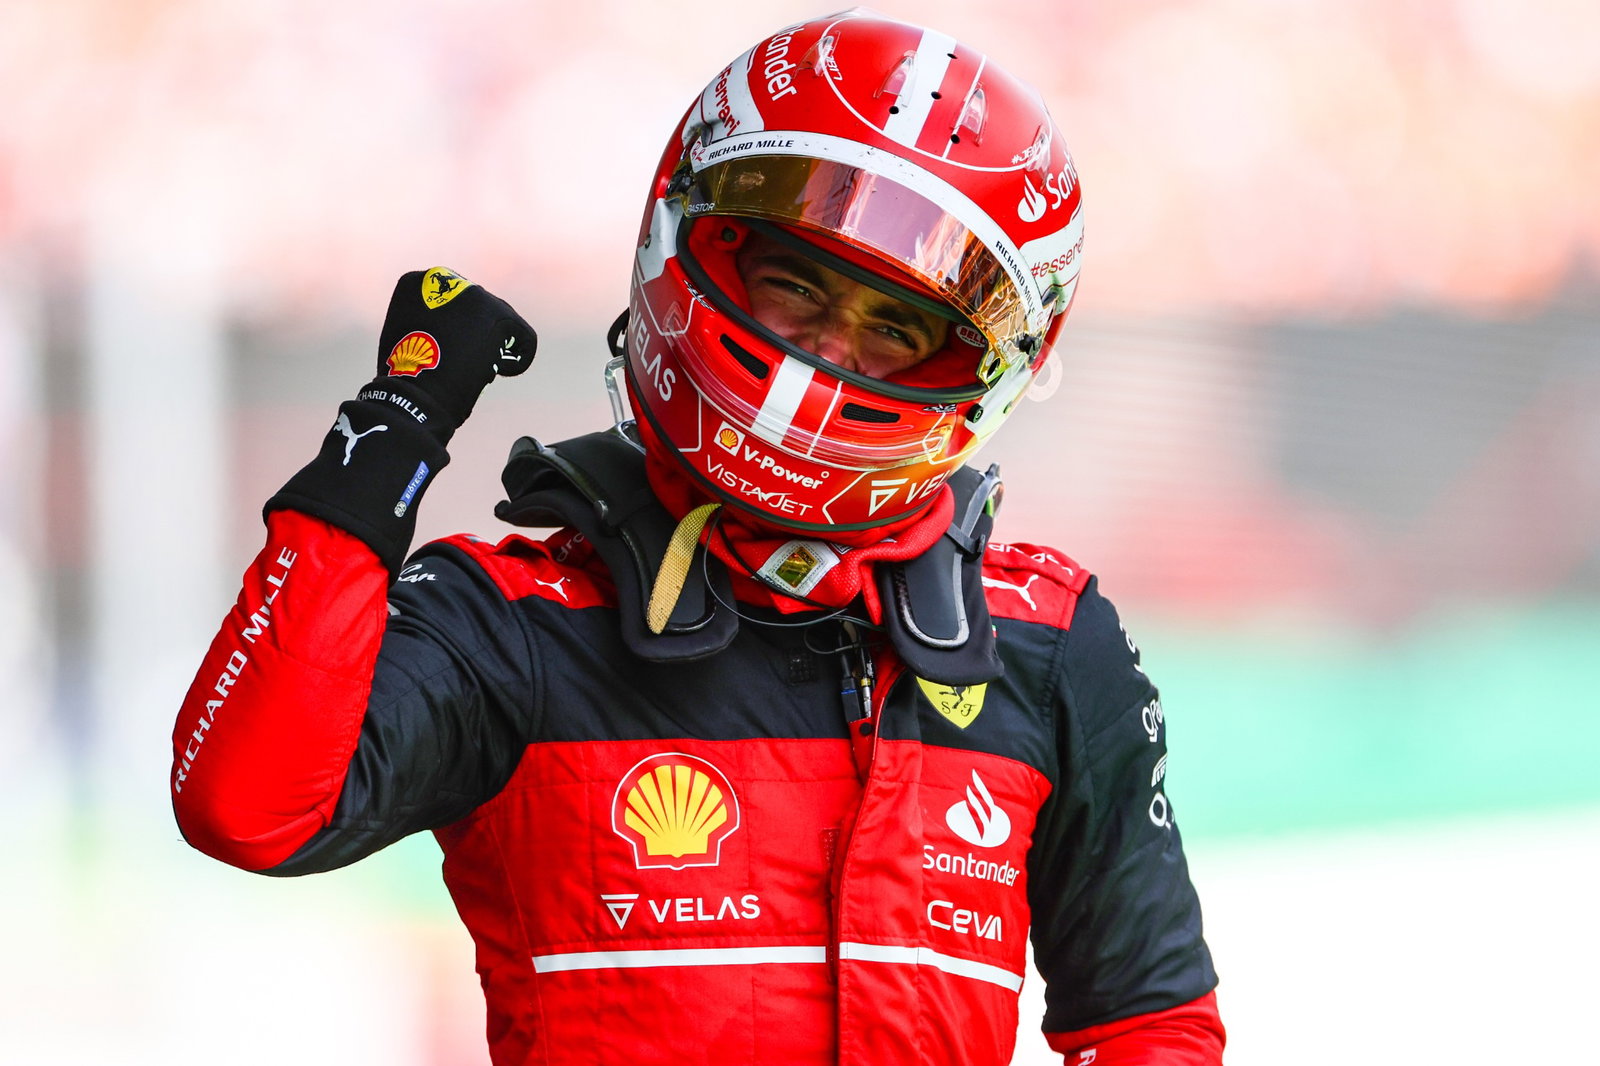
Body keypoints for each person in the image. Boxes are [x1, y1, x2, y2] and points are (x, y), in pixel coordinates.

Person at [170, 10, 1225, 1065]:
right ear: (693, 244)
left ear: (978, 370)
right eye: (796, 284)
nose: (825, 349)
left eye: (893, 326)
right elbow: (246, 805)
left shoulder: (1045, 640)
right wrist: (382, 446)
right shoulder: (514, 623)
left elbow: (1148, 1020)